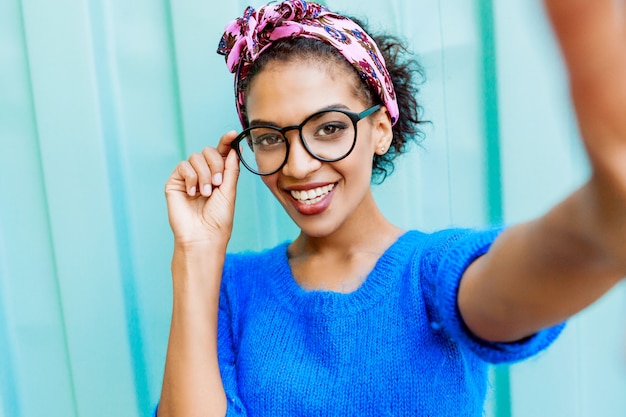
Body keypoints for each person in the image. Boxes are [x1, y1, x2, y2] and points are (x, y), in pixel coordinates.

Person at [155, 0, 626, 415]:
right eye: (271, 138)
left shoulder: (429, 272)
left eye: (329, 128)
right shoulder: (231, 289)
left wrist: (603, 223)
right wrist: (196, 252)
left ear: (381, 127)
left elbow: (515, 289)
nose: (297, 166)